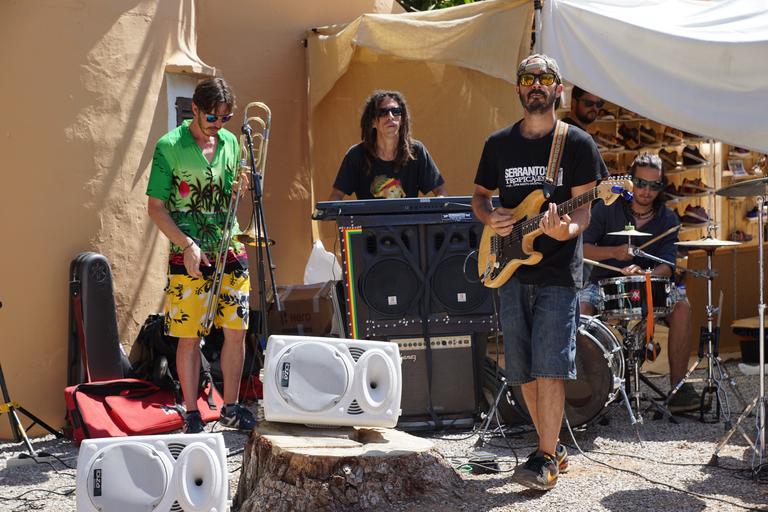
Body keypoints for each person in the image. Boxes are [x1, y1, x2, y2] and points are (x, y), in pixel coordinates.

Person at [472, 54, 605, 491]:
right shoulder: (498, 144)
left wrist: (565, 229)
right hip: (509, 268)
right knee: (522, 371)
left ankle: (544, 457)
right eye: (528, 78)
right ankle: (552, 445)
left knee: (550, 366)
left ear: (558, 89)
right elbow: (480, 196)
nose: (536, 84)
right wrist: (490, 217)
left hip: (557, 273)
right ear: (518, 88)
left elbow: (583, 210)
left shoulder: (577, 144)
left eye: (545, 78)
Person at [146, 77, 256, 434]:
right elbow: (156, 207)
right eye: (211, 117)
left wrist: (241, 189)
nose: (217, 125)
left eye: (225, 118)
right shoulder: (169, 146)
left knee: (237, 330)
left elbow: (231, 194)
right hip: (190, 251)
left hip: (229, 244)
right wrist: (186, 244)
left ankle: (231, 407)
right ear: (194, 108)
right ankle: (192, 412)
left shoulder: (231, 143)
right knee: (190, 335)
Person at [579, 152, 697, 412]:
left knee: (682, 306)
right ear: (630, 181)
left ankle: (678, 389)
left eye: (654, 185)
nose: (646, 191)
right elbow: (582, 249)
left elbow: (668, 265)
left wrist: (648, 275)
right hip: (604, 284)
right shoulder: (606, 207)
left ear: (661, 187)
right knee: (582, 310)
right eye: (641, 183)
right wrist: (614, 252)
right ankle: (590, 392)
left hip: (649, 286)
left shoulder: (667, 220)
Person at [329, 90, 447, 200]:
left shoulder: (416, 151)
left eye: (396, 111)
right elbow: (336, 196)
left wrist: (439, 207)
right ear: (373, 122)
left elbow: (441, 191)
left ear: (402, 119)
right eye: (383, 112)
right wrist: (338, 214)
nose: (390, 116)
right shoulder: (356, 155)